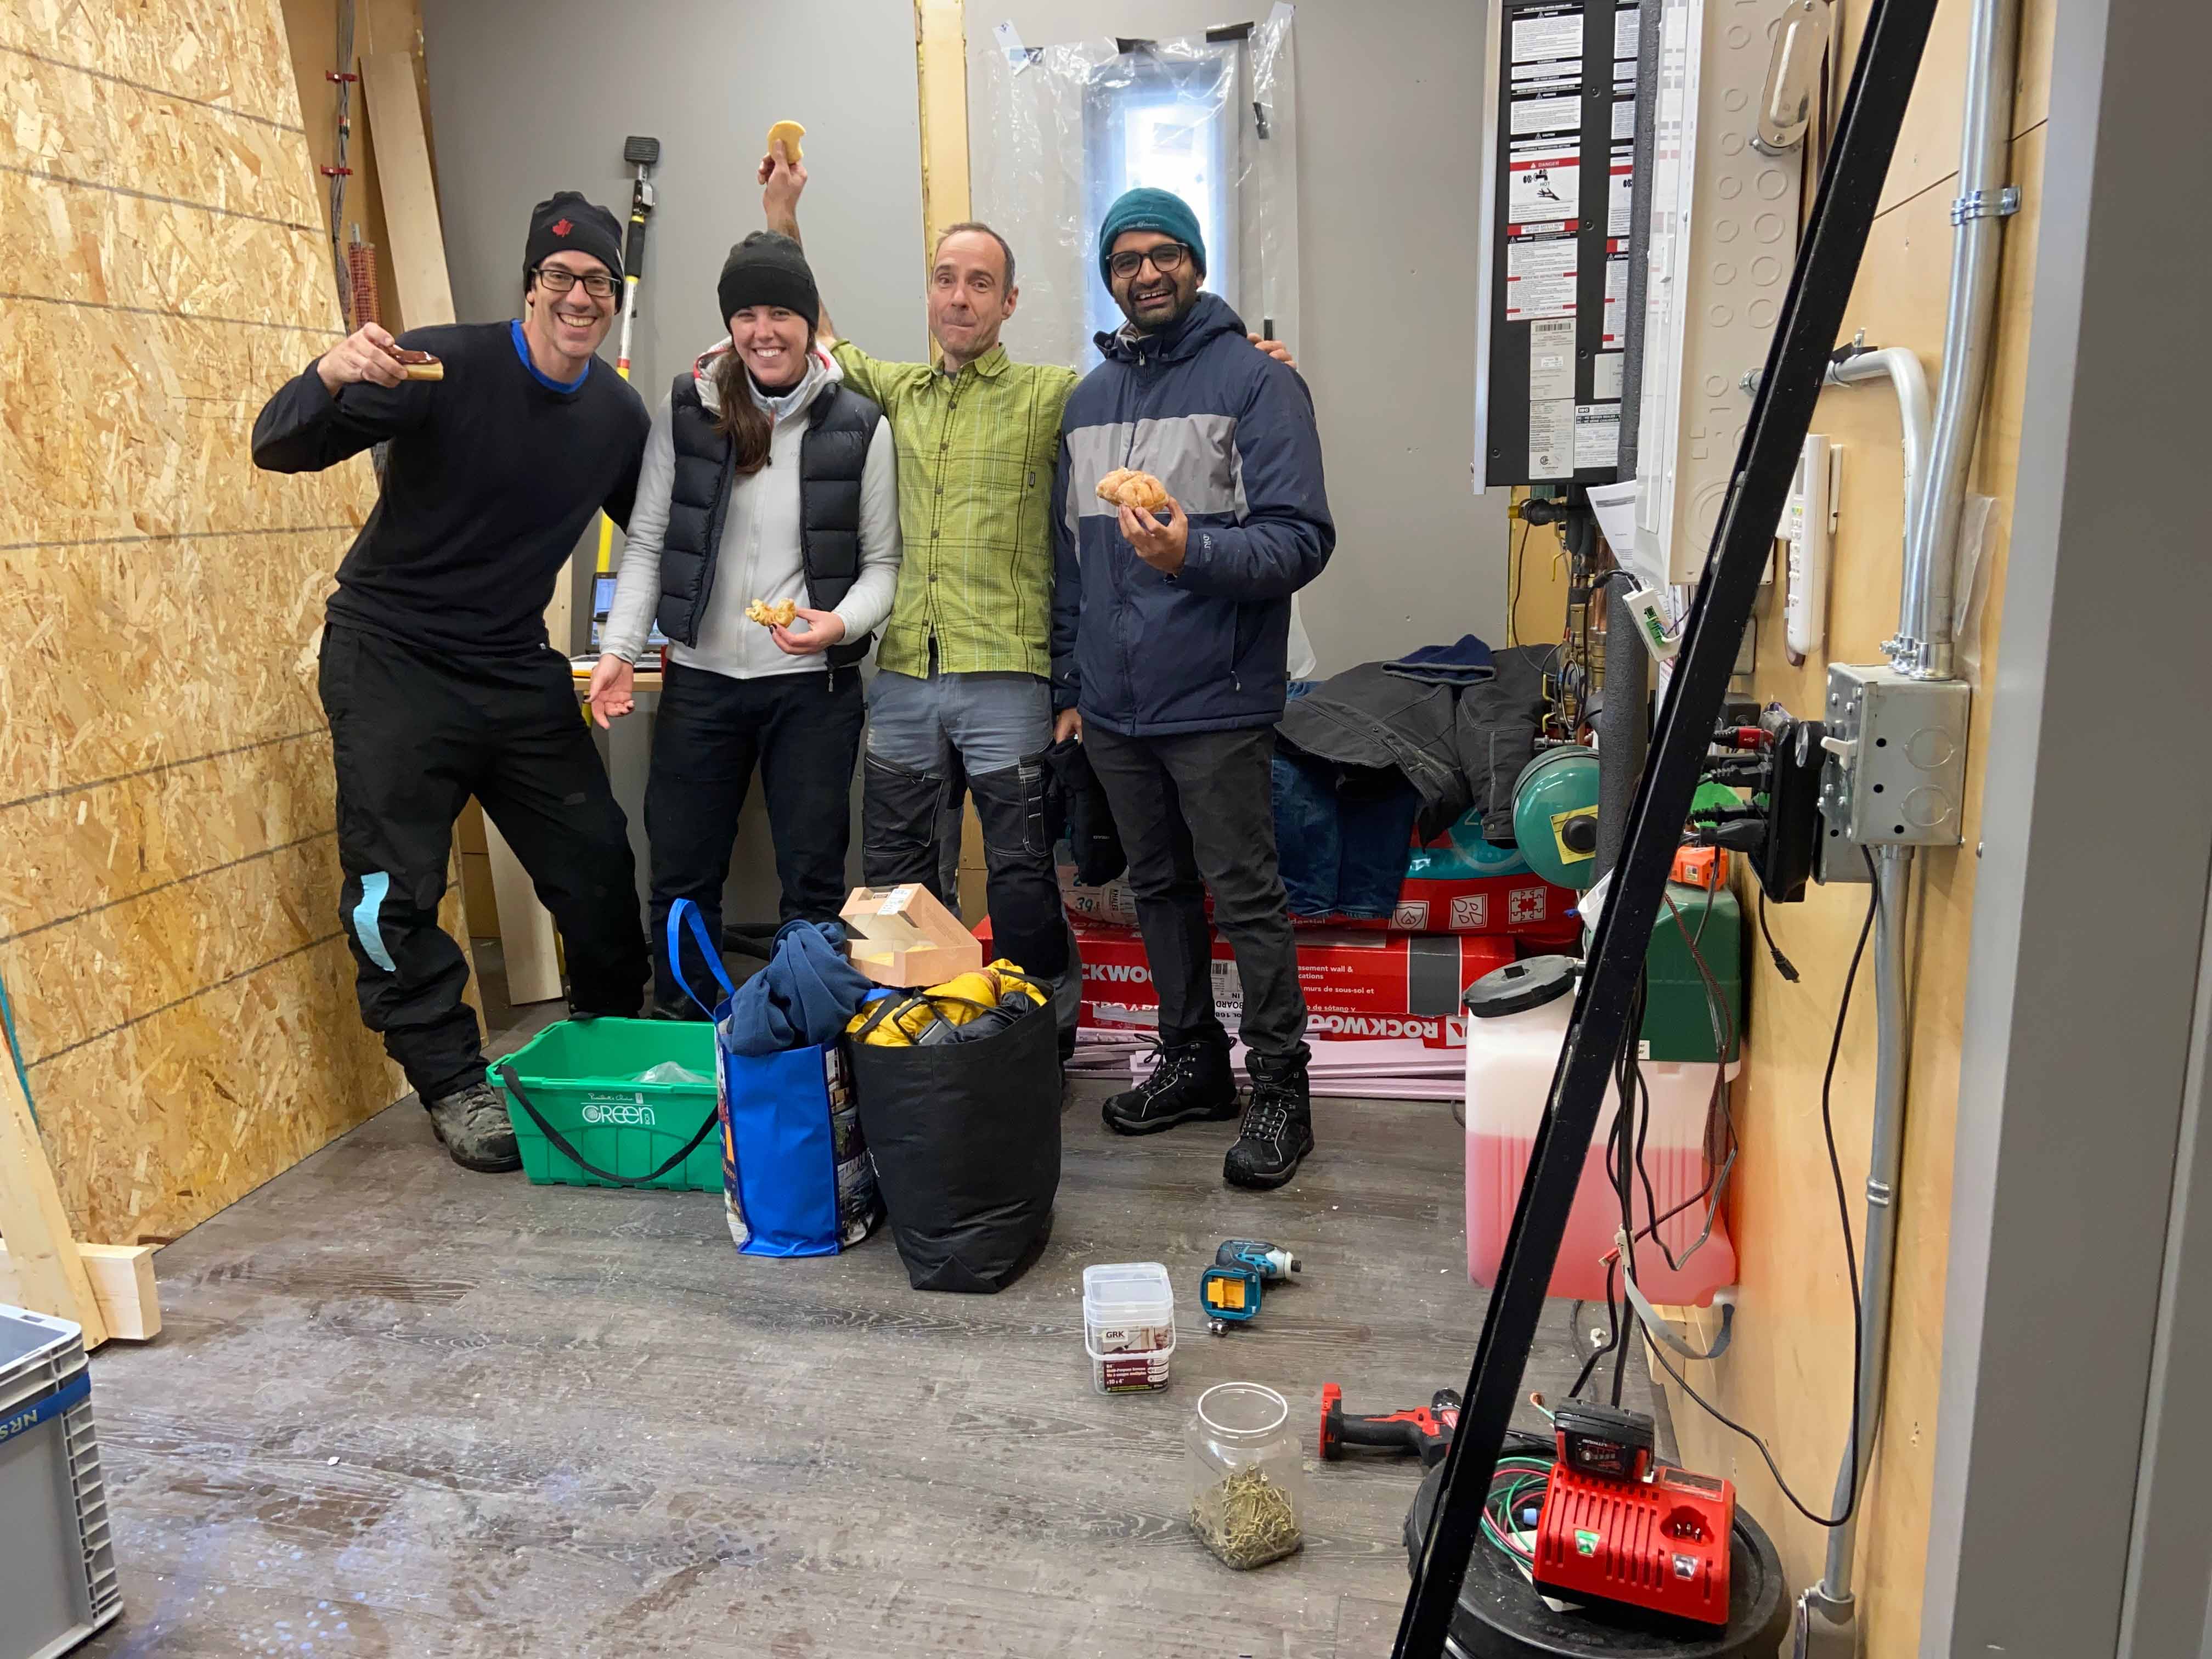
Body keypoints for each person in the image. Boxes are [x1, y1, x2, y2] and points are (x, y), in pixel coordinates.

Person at [759, 143, 1297, 1054]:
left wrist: (1246, 356)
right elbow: (820, 338)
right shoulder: (897, 392)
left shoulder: (1058, 397)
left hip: (1009, 677)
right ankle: (905, 1043)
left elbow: (1159, 387)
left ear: (1009, 304)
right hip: (902, 677)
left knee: (1018, 878)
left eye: (981, 284)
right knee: (896, 871)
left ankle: (1033, 1039)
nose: (959, 298)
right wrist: (783, 225)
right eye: (945, 281)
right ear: (930, 295)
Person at [252, 192, 651, 1173]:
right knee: (394, 891)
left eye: (596, 282)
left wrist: (641, 640)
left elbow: (656, 535)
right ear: (528, 287)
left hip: (513, 666)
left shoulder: (614, 414)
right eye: (558, 277)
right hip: (391, 659)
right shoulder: (437, 365)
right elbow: (279, 445)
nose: (577, 296)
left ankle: (608, 1037)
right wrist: (327, 375)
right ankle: (452, 1082)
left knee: (597, 860)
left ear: (611, 300)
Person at [1052, 188, 1335, 1189]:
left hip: (1216, 695)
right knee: (1158, 891)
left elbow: (1303, 537)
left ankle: (1281, 1088)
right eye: (1125, 259)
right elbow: (1066, 563)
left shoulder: (1256, 383)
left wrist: (1193, 550)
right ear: (1111, 278)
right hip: (1116, 707)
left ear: (1196, 263)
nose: (1146, 272)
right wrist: (1069, 684)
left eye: (1164, 253)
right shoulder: (1085, 405)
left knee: (1246, 897)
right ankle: (1192, 1062)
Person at [588, 233, 900, 1017]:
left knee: (814, 880)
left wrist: (836, 626)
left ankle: (805, 1041)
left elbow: (884, 567)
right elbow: (650, 541)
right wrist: (620, 651)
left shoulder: (862, 423)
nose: (765, 330)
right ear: (730, 324)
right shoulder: (686, 410)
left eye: (783, 313)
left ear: (808, 322)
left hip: (815, 691)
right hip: (700, 683)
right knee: (684, 876)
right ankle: (687, 1034)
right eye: (747, 314)